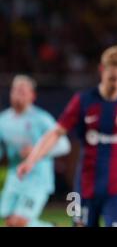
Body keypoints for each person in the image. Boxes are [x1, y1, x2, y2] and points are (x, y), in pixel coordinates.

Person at [17, 46, 117, 226]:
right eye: (112, 78)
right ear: (102, 70)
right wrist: (31, 160)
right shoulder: (83, 101)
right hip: (82, 188)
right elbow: (55, 133)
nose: (116, 84)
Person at [0, 75, 71, 227]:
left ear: (32, 96)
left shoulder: (41, 118)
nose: (18, 95)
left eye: (23, 92)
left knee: (19, 221)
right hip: (14, 177)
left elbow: (64, 145)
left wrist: (37, 151)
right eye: (15, 90)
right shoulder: (3, 120)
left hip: (38, 178)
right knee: (10, 222)